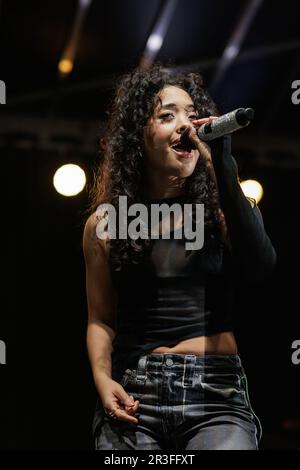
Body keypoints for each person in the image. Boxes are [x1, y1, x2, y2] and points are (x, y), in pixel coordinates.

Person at [82, 64, 277, 450]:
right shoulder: (106, 223)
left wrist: (222, 164)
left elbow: (261, 266)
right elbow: (100, 319)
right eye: (167, 115)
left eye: (191, 114)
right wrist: (103, 381)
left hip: (215, 395)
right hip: (136, 395)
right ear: (139, 136)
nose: (184, 124)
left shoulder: (223, 208)